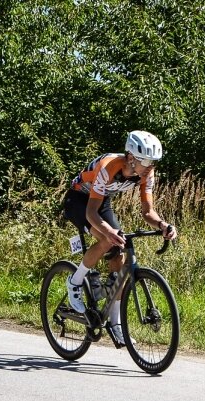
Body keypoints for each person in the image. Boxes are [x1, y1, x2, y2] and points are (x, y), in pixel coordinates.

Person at [62, 130, 178, 345]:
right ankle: (75, 282)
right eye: (147, 162)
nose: (151, 167)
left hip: (100, 201)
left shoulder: (146, 174)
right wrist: (108, 232)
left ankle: (115, 324)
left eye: (154, 162)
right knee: (107, 239)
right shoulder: (109, 167)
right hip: (79, 201)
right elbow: (90, 213)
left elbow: (147, 212)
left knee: (120, 255)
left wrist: (163, 225)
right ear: (132, 158)